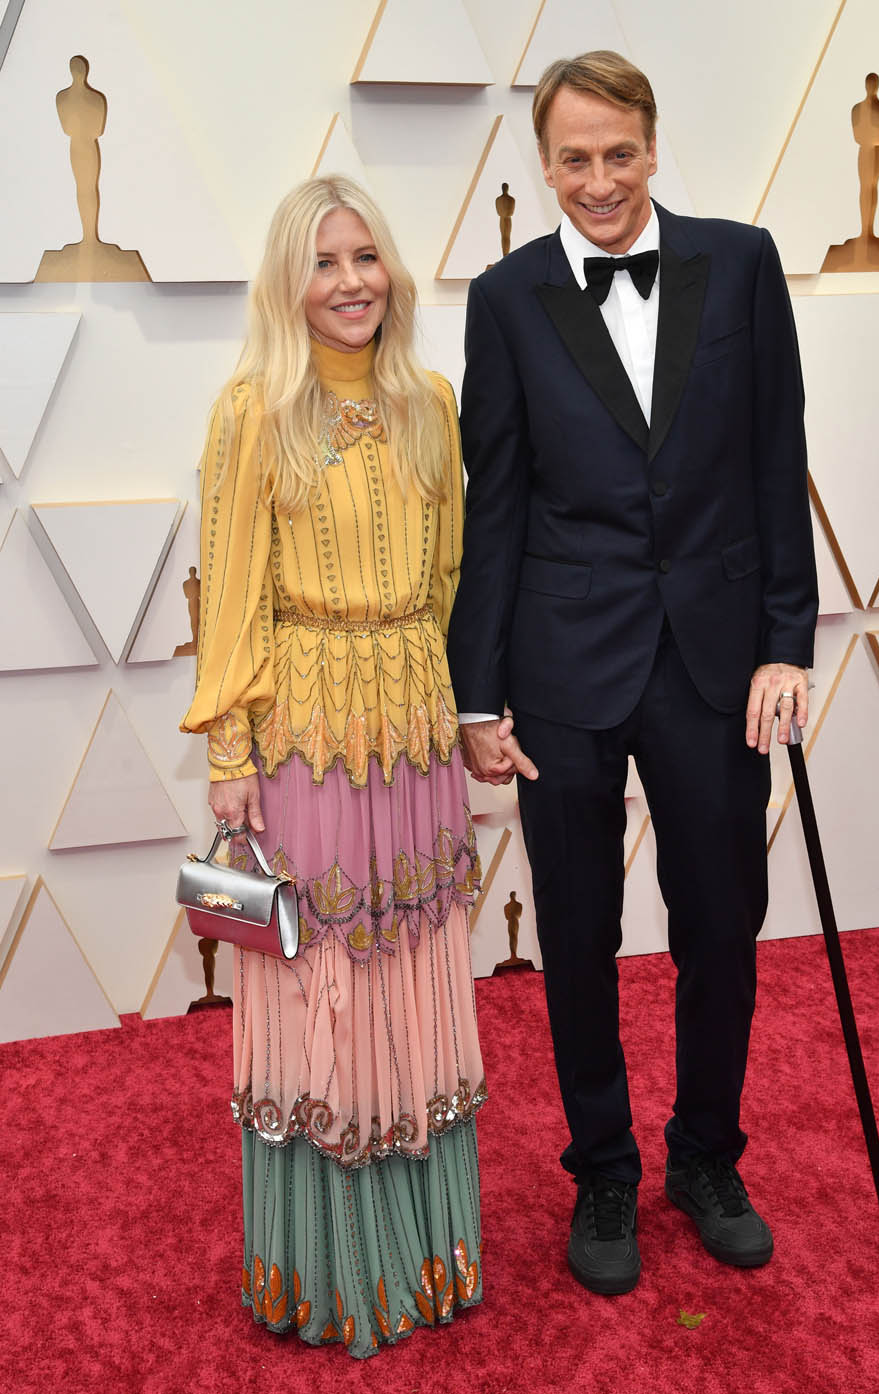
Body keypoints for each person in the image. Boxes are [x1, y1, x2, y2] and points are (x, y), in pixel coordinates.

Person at [448, 51, 817, 1295]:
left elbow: (778, 460)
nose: (598, 181)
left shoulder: (743, 262)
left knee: (722, 917)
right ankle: (601, 1164)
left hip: (715, 657)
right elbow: (493, 503)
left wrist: (784, 639)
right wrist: (475, 690)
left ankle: (707, 1153)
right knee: (579, 928)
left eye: (618, 153)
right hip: (560, 660)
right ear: (543, 165)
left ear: (652, 147)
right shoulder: (504, 298)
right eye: (573, 158)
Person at [181, 175, 485, 1356]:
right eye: (325, 262)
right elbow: (233, 596)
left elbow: (451, 577)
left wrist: (459, 712)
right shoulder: (253, 410)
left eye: (366, 256)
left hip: (412, 736)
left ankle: (426, 1253)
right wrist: (230, 752)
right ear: (286, 282)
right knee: (320, 987)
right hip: (306, 735)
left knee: (413, 978)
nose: (352, 281)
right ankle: (331, 1268)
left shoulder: (431, 404)